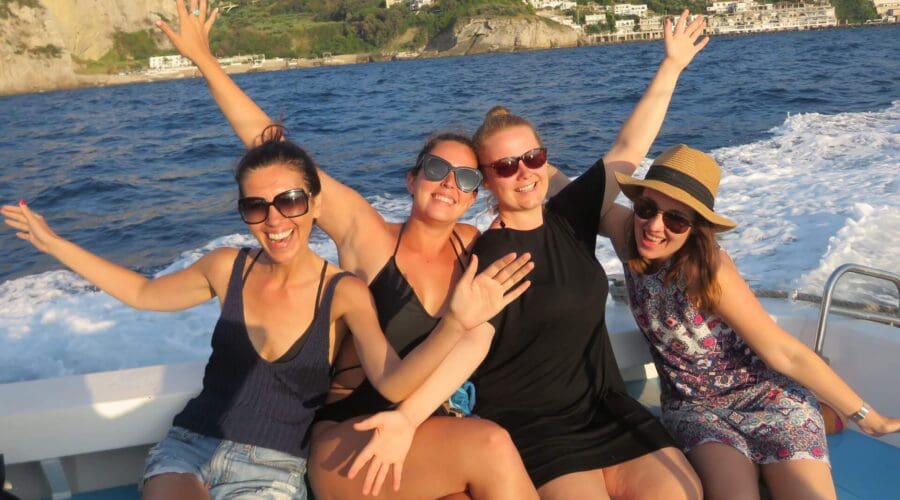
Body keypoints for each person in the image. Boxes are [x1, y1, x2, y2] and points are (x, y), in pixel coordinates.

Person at [0, 126, 534, 499]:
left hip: (274, 466)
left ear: (314, 205)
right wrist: (54, 244)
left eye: (291, 202)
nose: (275, 219)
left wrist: (458, 322)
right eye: (256, 207)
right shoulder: (225, 267)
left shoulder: (345, 292)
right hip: (191, 447)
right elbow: (143, 293)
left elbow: (394, 381)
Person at [155, 2, 543, 498]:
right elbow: (276, 151)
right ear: (411, 179)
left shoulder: (471, 247)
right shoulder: (368, 234)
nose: (448, 183)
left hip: (425, 430)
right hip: (350, 436)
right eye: (434, 170)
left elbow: (531, 205)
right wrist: (204, 61)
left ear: (475, 195)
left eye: (465, 178)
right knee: (491, 446)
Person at [350, 11, 710, 500]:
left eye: (533, 158)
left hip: (605, 407)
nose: (524, 173)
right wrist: (407, 418)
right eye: (504, 165)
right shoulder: (492, 249)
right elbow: (473, 340)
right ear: (487, 183)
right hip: (535, 425)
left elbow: (629, 147)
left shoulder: (571, 216)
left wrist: (670, 66)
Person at [598, 144, 900, 500]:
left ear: (696, 228)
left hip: (768, 397)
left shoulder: (708, 272)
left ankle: (822, 414)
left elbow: (783, 353)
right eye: (646, 208)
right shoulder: (627, 234)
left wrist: (870, 417)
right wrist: (517, 150)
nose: (654, 226)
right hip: (696, 408)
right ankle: (825, 417)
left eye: (676, 219)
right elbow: (560, 191)